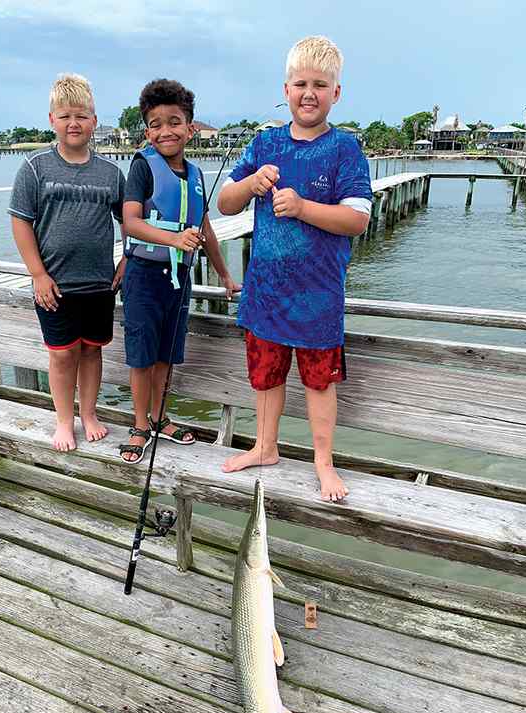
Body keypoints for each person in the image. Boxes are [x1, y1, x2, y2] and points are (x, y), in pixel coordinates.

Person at [217, 36, 372, 501]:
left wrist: (304, 207)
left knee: (319, 383)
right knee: (265, 377)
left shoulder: (345, 149)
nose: (309, 93)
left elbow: (357, 219)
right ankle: (265, 446)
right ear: (285, 89)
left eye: (320, 85)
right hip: (264, 294)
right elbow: (224, 204)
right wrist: (249, 182)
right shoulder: (264, 143)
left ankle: (323, 462)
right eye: (301, 83)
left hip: (318, 299)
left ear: (336, 94)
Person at [120, 78, 239, 464]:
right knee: (141, 355)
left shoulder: (198, 176)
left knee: (166, 356)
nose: (165, 131)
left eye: (174, 122)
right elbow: (131, 223)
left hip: (180, 281)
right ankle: (140, 424)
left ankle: (160, 417)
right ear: (147, 130)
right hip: (143, 277)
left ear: (190, 127)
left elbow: (207, 231)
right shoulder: (142, 167)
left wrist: (223, 275)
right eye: (156, 123)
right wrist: (173, 241)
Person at [8, 72, 125, 452]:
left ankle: (89, 413)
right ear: (52, 120)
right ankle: (64, 420)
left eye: (81, 116)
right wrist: (37, 274)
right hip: (55, 285)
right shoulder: (35, 168)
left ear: (94, 121)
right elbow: (20, 221)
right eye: (65, 116)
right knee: (62, 355)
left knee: (91, 350)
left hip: (99, 284)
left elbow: (131, 220)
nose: (73, 123)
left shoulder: (111, 173)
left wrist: (127, 258)